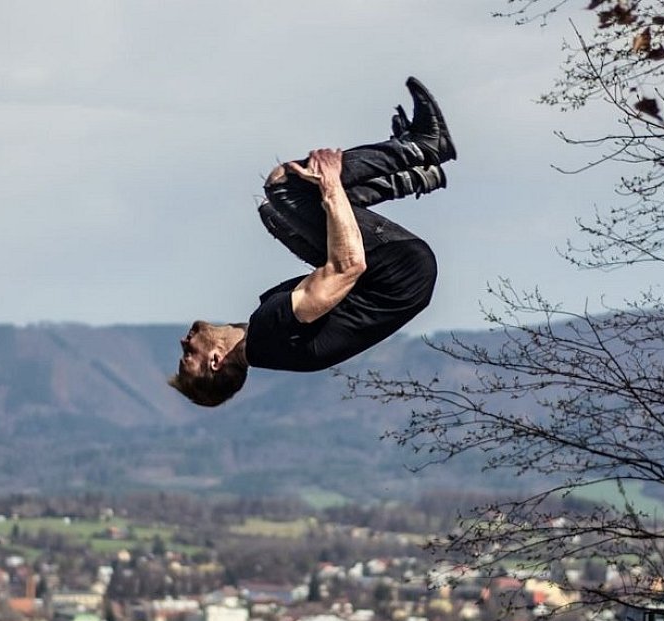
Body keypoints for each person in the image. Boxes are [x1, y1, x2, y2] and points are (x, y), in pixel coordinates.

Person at [170, 77, 456, 406]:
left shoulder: (268, 340)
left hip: (394, 277)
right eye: (187, 356)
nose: (183, 342)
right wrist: (331, 183)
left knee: (275, 215)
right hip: (398, 268)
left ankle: (412, 178)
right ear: (216, 361)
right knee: (284, 187)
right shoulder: (271, 330)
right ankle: (422, 146)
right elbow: (348, 266)